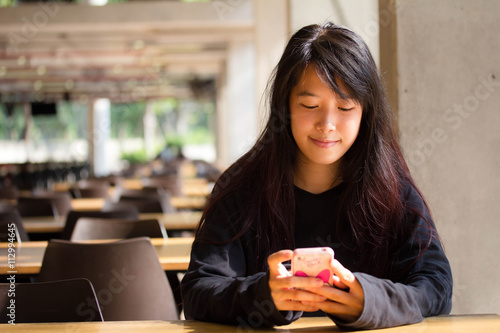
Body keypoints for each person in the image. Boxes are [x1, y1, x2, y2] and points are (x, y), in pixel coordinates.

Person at [180, 22, 453, 330]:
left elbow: (436, 287)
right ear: (285, 105)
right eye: (310, 105)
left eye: (345, 106)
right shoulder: (240, 190)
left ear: (366, 111)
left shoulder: (391, 190)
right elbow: (198, 292)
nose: (327, 124)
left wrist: (373, 301)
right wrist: (262, 295)